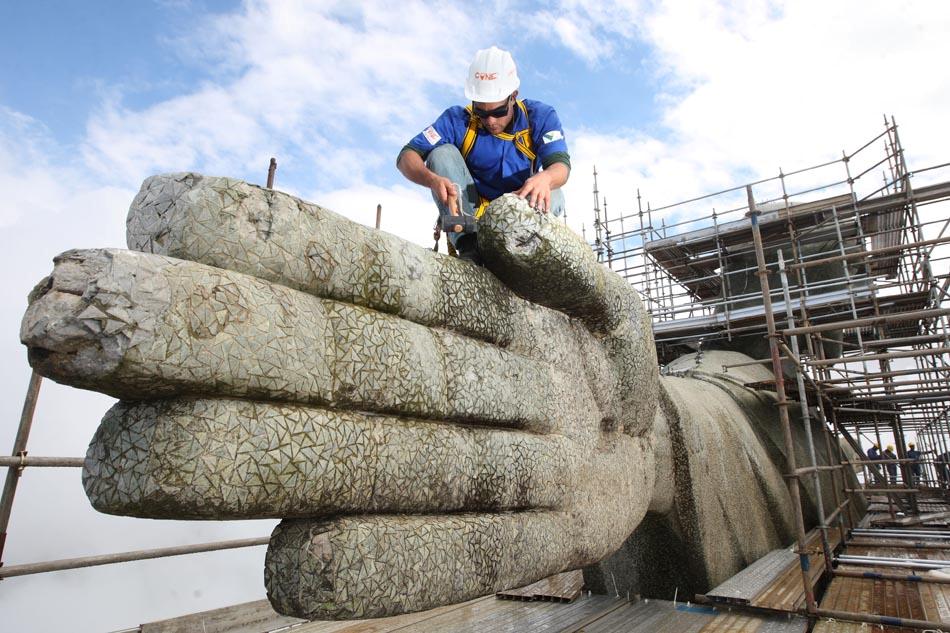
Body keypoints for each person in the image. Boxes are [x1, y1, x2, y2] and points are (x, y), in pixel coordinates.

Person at [397, 46, 571, 265]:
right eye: (481, 112)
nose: (490, 121)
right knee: (440, 155)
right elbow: (406, 156)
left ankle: (516, 253)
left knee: (555, 194)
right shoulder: (457, 120)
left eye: (498, 112)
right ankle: (468, 246)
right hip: (472, 215)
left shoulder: (540, 116)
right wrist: (432, 180)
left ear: (513, 96)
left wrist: (546, 178)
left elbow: (560, 166)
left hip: (516, 214)